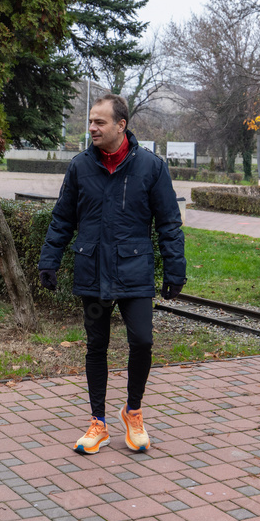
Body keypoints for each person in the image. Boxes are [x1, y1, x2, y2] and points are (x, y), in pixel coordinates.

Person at [38, 93, 186, 455]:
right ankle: (98, 423)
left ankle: (133, 412)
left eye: (99, 122)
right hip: (92, 272)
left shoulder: (151, 167)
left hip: (135, 272)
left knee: (143, 342)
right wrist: (49, 260)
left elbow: (169, 223)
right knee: (96, 346)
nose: (92, 127)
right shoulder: (80, 166)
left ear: (121, 125)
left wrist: (175, 269)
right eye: (90, 121)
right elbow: (62, 219)